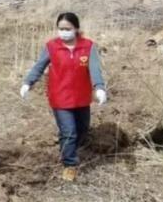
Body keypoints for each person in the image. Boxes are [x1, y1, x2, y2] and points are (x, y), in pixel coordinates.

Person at [21, 12, 107, 182]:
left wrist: (99, 87)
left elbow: (95, 68)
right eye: (60, 29)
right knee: (69, 132)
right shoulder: (52, 47)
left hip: (81, 97)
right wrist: (27, 83)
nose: (63, 32)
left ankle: (69, 147)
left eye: (67, 29)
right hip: (60, 97)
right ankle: (69, 165)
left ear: (76, 29)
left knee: (82, 129)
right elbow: (39, 67)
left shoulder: (88, 46)